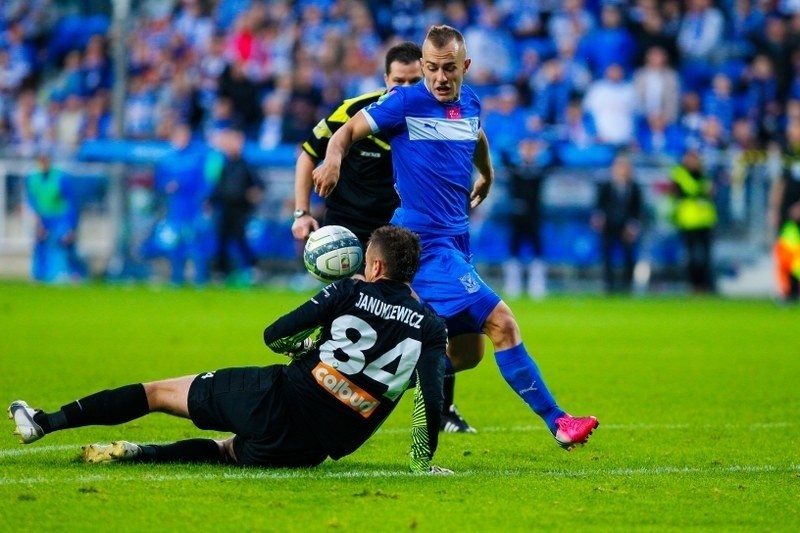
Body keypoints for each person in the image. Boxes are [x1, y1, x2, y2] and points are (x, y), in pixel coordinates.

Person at [313, 24, 598, 451]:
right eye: (431, 68)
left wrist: (487, 171)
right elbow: (347, 131)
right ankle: (559, 421)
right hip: (422, 246)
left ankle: (364, 381)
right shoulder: (405, 102)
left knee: (467, 356)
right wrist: (333, 159)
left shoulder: (469, 102)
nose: (440, 78)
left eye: (449, 68)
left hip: (457, 244)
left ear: (465, 66)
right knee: (503, 324)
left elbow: (476, 133)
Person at [9, 226, 452, 474]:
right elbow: (430, 402)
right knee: (227, 453)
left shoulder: (349, 293)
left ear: (373, 265)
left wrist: (310, 346)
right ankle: (139, 453)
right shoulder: (432, 328)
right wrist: (420, 463)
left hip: (276, 398)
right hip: (319, 444)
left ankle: (43, 422)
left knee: (156, 393)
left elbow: (275, 336)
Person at [292, 41, 475, 434]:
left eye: (414, 80)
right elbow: (309, 153)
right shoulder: (356, 110)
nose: (405, 88)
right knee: (348, 315)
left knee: (428, 317)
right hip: (348, 233)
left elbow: (471, 140)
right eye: (398, 81)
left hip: (399, 237)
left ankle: (441, 408)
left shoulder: (427, 114)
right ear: (385, 79)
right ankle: (317, 388)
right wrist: (301, 212)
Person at [152, 124, 211, 286]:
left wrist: (203, 199)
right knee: (174, 245)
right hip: (174, 209)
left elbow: (204, 183)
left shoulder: (197, 157)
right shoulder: (167, 159)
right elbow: (159, 182)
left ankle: (200, 279)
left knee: (195, 244)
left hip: (193, 208)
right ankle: (176, 278)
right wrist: (166, 187)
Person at [207, 128, 264, 284]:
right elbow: (217, 186)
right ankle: (221, 272)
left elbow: (258, 186)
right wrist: (210, 201)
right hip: (224, 208)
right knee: (222, 240)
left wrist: (254, 194)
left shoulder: (246, 165)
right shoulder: (222, 164)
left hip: (240, 209)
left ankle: (251, 269)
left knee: (241, 239)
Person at [501, 137, 550, 300]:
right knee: (513, 250)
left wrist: (547, 143)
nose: (529, 152)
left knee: (537, 250)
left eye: (532, 149)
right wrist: (514, 144)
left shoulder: (539, 170)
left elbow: (557, 159)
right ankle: (512, 284)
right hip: (516, 216)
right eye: (526, 149)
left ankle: (537, 285)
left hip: (534, 216)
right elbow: (502, 154)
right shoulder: (515, 169)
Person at [24, 152, 85, 283]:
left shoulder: (60, 177)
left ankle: (73, 274)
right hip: (43, 217)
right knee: (41, 244)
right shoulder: (33, 178)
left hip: (60, 217)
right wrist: (38, 221)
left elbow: (71, 202)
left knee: (65, 244)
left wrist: (70, 226)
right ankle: (40, 276)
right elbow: (32, 200)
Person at [591, 154, 644, 294]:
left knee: (628, 255)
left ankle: (627, 285)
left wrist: (633, 224)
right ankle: (609, 285)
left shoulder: (634, 187)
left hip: (626, 226)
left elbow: (637, 208)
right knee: (607, 255)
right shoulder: (606, 185)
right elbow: (599, 205)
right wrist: (599, 218)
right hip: (609, 225)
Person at [669, 149, 717, 293]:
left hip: (706, 220)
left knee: (706, 256)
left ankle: (707, 285)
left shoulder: (705, 174)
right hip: (688, 220)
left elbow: (712, 192)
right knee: (691, 256)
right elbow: (691, 189)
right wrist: (703, 189)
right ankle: (694, 285)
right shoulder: (680, 174)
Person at [768, 121, 800, 302]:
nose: (792, 130)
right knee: (785, 253)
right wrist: (773, 209)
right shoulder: (788, 154)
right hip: (786, 213)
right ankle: (787, 291)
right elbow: (779, 183)